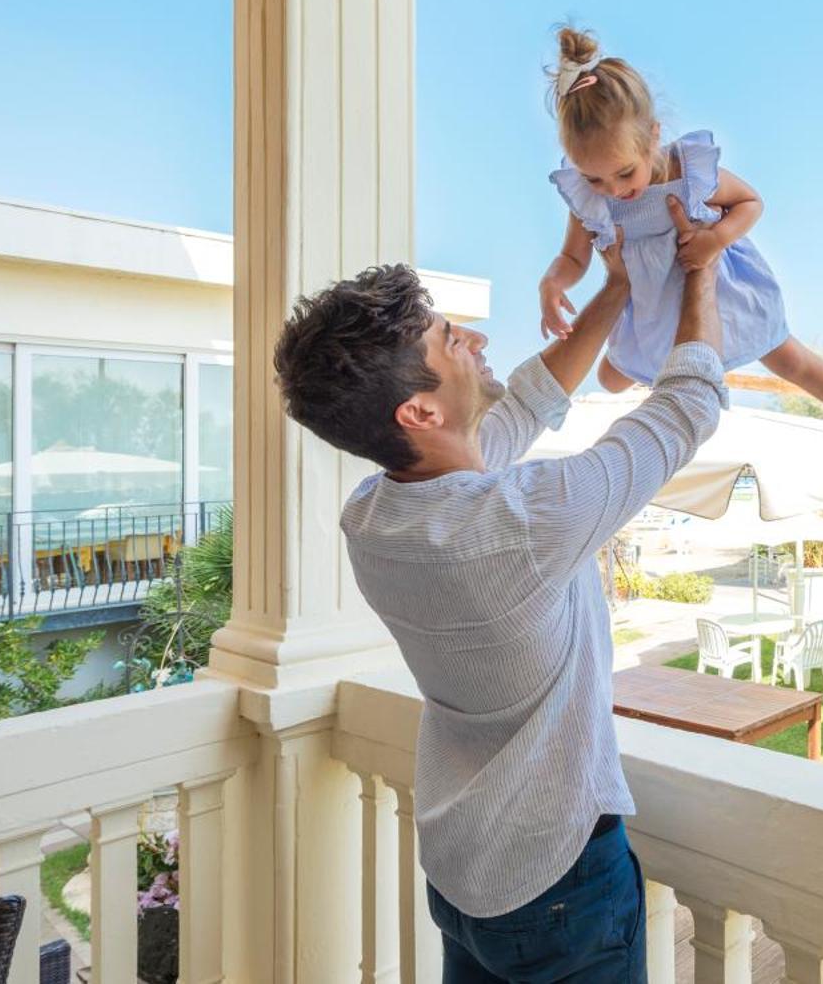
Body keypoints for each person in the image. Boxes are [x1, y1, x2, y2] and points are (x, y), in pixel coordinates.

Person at [271, 225, 726, 984]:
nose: (475, 339)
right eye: (452, 339)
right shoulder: (521, 522)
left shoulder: (373, 518)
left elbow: (522, 409)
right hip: (560, 882)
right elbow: (688, 407)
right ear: (418, 411)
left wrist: (614, 291)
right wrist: (702, 276)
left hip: (466, 874)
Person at [536, 25, 823, 471]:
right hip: (652, 308)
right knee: (609, 379)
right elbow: (574, 256)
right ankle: (668, 373)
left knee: (788, 357)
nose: (612, 189)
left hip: (719, 291)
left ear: (652, 137)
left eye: (624, 173)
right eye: (595, 178)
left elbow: (750, 202)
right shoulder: (589, 197)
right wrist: (553, 282)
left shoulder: (686, 170)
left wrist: (714, 241)